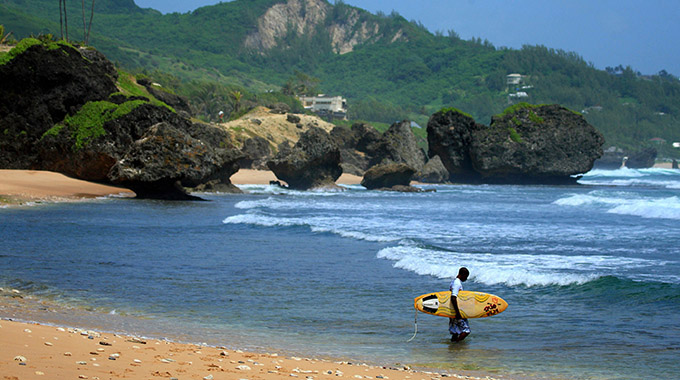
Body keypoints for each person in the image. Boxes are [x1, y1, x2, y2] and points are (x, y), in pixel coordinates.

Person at [449, 267, 470, 342]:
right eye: (466, 276)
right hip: (457, 311)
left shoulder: (453, 282)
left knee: (455, 332)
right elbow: (453, 298)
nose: (466, 279)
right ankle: (456, 345)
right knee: (466, 331)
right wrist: (458, 313)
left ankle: (452, 348)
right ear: (462, 274)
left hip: (452, 310)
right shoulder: (457, 283)